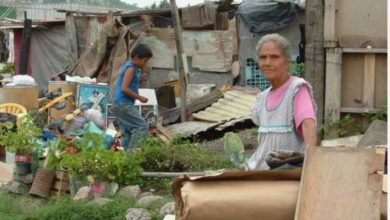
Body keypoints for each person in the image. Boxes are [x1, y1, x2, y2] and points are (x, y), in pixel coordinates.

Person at [247, 33, 317, 170]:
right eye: (263, 57)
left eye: (274, 57)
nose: (267, 63)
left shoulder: (297, 89)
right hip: (261, 173)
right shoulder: (262, 98)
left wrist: (310, 165)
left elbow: (309, 126)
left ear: (287, 62)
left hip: (286, 174)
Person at [112, 44, 153, 151]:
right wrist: (140, 97)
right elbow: (124, 89)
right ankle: (133, 155)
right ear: (136, 58)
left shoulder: (131, 67)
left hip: (118, 104)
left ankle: (126, 160)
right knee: (141, 126)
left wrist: (140, 77)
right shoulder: (130, 69)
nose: (145, 63)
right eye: (145, 60)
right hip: (123, 104)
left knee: (127, 132)